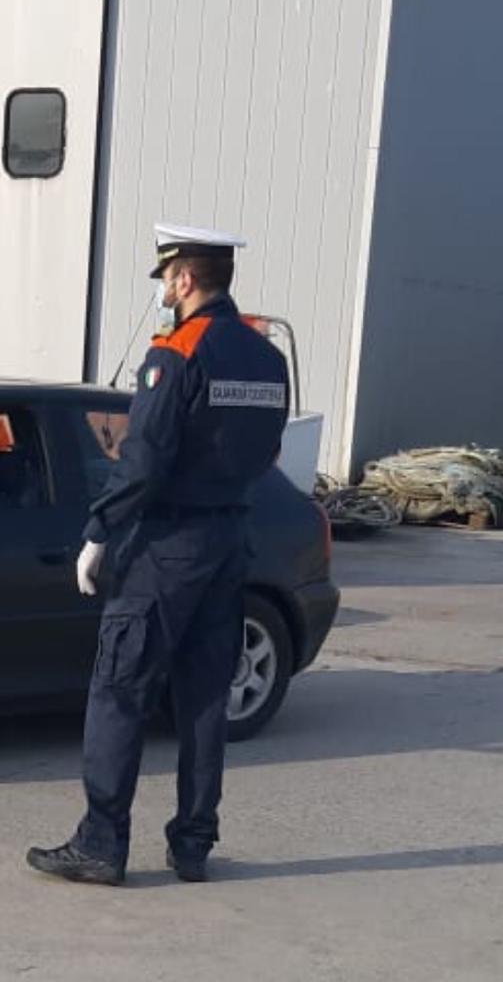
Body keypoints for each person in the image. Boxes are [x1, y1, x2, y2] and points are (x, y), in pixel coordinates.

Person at [26, 224, 290, 885]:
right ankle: (193, 845)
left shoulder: (177, 353)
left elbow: (142, 459)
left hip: (167, 546)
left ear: (184, 278)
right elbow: (267, 451)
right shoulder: (265, 359)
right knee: (204, 700)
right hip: (230, 538)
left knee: (119, 691)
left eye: (167, 280)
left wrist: (98, 530)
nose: (165, 293)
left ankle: (100, 844)